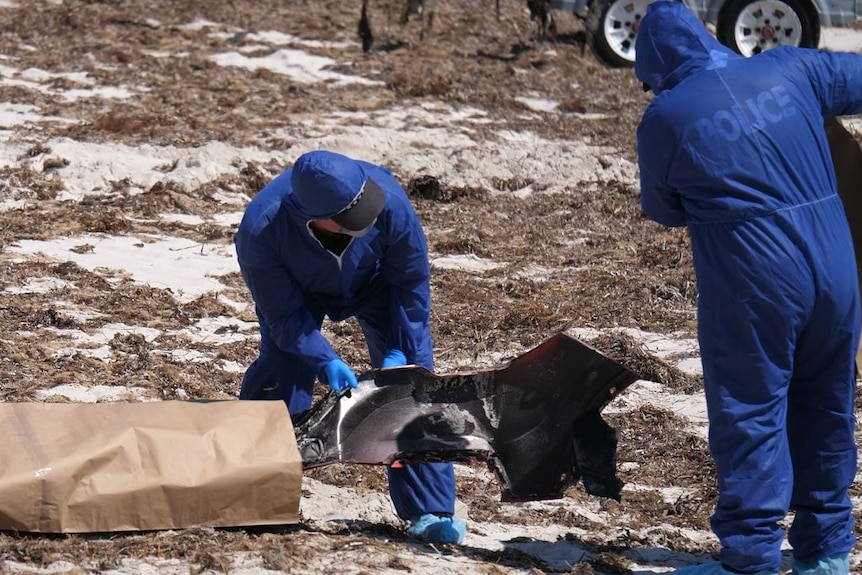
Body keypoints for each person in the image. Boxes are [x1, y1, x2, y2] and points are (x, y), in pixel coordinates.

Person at [634, 2, 862, 575]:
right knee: (827, 401)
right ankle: (828, 550)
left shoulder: (665, 117)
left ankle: (751, 557)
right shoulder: (789, 67)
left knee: (752, 409)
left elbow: (663, 210)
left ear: (656, 67)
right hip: (836, 262)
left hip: (755, 276)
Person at [234, 149, 466, 545]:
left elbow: (410, 283)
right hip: (299, 291)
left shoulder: (388, 200)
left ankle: (429, 509)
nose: (367, 219)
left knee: (412, 385)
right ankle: (256, 485)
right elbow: (284, 317)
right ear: (313, 216)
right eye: (349, 216)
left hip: (375, 283)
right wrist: (325, 360)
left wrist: (401, 349)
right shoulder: (261, 229)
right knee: (281, 367)